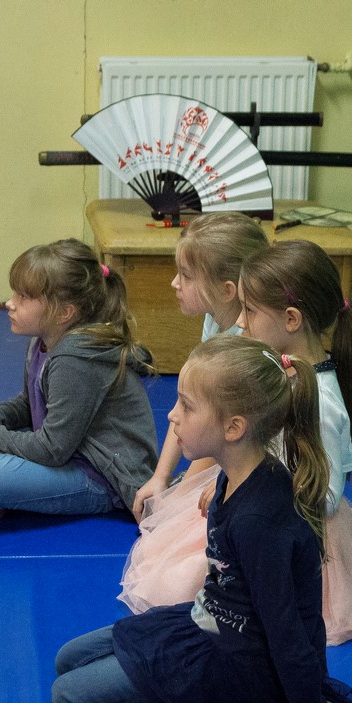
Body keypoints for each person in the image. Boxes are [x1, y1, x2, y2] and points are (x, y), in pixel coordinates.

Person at [51, 335, 352, 703]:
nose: (172, 415)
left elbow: (287, 633)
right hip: (208, 622)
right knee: (68, 658)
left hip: (240, 668)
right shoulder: (232, 478)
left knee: (68, 702)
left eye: (187, 406)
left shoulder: (259, 520)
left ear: (233, 428)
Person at [119, 240, 352, 645]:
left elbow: (323, 497)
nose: (240, 321)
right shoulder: (281, 369)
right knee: (168, 569)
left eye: (250, 311)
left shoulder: (320, 400)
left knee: (183, 589)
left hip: (291, 531)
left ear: (291, 319)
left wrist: (247, 492)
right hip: (256, 507)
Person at [0, 239, 158, 531]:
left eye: (23, 297)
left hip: (100, 477)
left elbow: (52, 449)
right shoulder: (42, 341)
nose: (9, 303)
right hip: (68, 452)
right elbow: (30, 405)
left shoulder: (75, 359)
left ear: (64, 312)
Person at [129, 211, 269, 521]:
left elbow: (225, 434)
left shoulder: (245, 344)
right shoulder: (215, 318)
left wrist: (178, 499)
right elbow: (187, 402)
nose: (174, 283)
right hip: (223, 453)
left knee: (169, 525)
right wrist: (160, 477)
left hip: (245, 462)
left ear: (226, 290)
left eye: (186, 276)